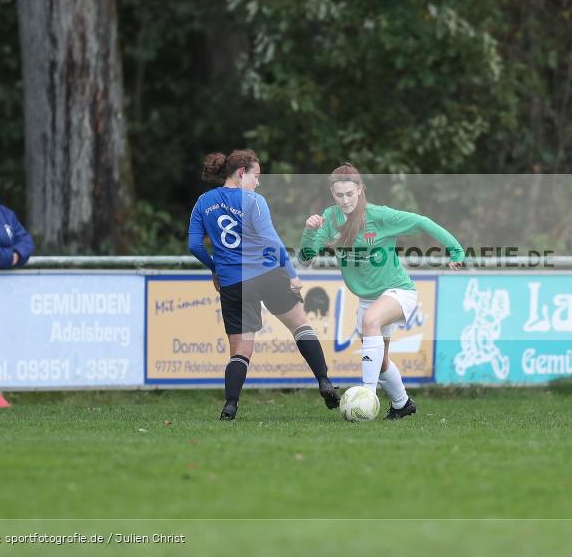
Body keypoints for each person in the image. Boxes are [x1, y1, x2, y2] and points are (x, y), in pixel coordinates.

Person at [299, 164, 465, 419]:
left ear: (360, 190)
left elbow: (422, 222)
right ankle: (402, 403)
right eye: (339, 195)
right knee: (381, 361)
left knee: (370, 321)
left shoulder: (378, 215)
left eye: (350, 194)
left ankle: (367, 393)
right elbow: (305, 258)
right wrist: (310, 232)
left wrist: (456, 250)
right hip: (368, 298)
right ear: (332, 193)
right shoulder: (330, 219)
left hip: (398, 290)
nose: (345, 200)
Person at [188, 149, 339, 420]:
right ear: (241, 173)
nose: (258, 182)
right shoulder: (254, 201)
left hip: (233, 282)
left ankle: (230, 405)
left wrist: (215, 268)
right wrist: (291, 274)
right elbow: (271, 240)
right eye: (256, 176)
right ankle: (324, 381)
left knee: (241, 350)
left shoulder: (203, 202)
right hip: (268, 274)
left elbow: (194, 246)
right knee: (300, 326)